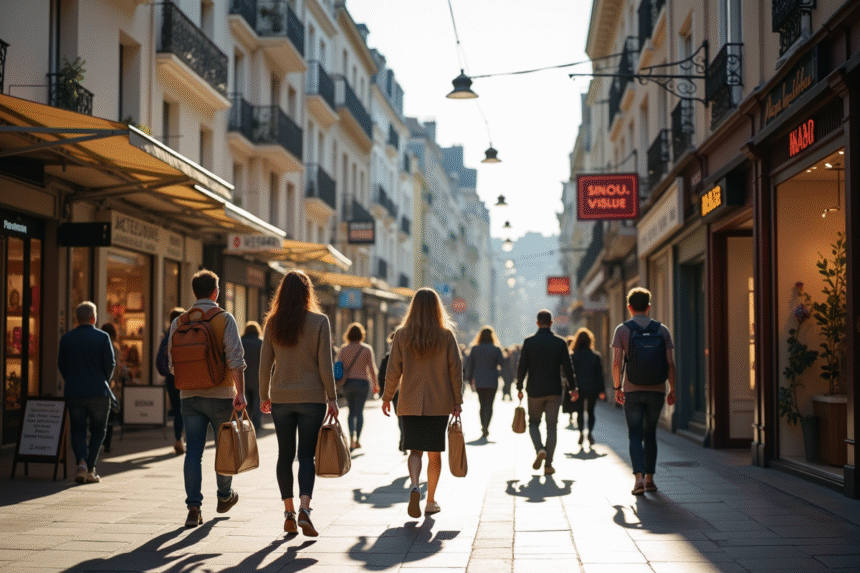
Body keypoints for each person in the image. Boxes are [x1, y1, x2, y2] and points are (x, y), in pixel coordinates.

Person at [259, 270, 338, 537]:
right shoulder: (320, 321)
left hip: (281, 398)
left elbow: (265, 364)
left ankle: (289, 513)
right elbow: (325, 365)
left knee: (284, 455)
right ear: (307, 292)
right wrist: (332, 398)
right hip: (312, 399)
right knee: (306, 456)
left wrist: (264, 396)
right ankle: (305, 508)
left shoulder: (273, 323)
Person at [168, 270, 246, 527]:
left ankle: (193, 508)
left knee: (193, 452)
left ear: (194, 292)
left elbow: (172, 364)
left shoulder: (179, 322)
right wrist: (240, 393)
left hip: (189, 396)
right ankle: (224, 496)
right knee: (225, 448)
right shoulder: (224, 318)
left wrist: (193, 377)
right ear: (216, 292)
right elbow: (236, 360)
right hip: (221, 395)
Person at [382, 288, 463, 519]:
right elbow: (455, 370)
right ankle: (430, 501)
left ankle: (415, 485)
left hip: (410, 401)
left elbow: (393, 370)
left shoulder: (401, 334)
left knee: (414, 450)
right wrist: (457, 401)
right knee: (434, 454)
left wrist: (387, 397)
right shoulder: (446, 335)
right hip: (439, 403)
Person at [612, 287, 676, 496]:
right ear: (648, 307)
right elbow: (670, 364)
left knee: (634, 435)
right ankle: (650, 479)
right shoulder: (662, 330)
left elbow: (616, 363)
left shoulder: (622, 330)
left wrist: (617, 387)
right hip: (657, 390)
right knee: (650, 434)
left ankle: (638, 479)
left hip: (632, 390)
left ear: (629, 307)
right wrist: (672, 389)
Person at [58, 302, 115, 484]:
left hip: (74, 392)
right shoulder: (103, 337)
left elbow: (62, 365)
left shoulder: (67, 338)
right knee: (99, 430)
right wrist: (104, 379)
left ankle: (82, 463)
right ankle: (90, 467)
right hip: (99, 392)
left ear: (77, 318)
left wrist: (71, 379)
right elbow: (110, 364)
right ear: (93, 318)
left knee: (77, 430)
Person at [516, 309, 577, 476]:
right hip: (554, 390)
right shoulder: (560, 342)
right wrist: (573, 388)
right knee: (552, 427)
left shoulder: (529, 342)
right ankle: (548, 464)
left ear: (537, 323)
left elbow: (522, 366)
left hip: (534, 390)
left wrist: (519, 387)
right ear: (551, 323)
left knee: (533, 423)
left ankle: (540, 449)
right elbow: (568, 367)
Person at [335, 322, 378, 450]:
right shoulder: (366, 349)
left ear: (348, 335)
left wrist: (337, 381)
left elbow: (337, 367)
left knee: (351, 411)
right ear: (361, 335)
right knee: (359, 412)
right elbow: (372, 369)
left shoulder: (343, 349)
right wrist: (375, 385)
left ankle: (351, 439)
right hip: (363, 383)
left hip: (348, 383)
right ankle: (357, 440)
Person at [564, 328, 607, 446]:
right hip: (592, 388)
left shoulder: (573, 356)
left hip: (578, 388)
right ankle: (590, 433)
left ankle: (581, 432)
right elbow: (599, 375)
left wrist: (570, 389)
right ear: (590, 341)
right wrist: (602, 390)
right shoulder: (595, 356)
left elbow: (569, 374)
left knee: (580, 412)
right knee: (591, 412)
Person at [464, 326, 504, 438]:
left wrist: (469, 379)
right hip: (492, 380)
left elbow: (469, 365)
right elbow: (501, 363)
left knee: (482, 404)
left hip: (479, 381)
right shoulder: (496, 349)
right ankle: (486, 426)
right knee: (489, 405)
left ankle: (483, 426)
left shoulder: (475, 349)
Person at [156, 307, 186, 455]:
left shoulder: (167, 337)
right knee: (186, 408)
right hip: (186, 377)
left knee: (177, 410)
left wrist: (167, 373)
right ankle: (183, 438)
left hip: (171, 378)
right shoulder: (187, 335)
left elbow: (158, 361)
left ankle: (178, 438)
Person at [99, 322, 127, 454]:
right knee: (110, 415)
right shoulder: (114, 349)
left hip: (98, 385)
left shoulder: (98, 346)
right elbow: (115, 368)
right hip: (111, 386)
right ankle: (107, 443)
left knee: (100, 415)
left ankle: (99, 442)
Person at [377, 332, 404, 453]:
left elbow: (382, 375)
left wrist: (384, 393)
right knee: (404, 416)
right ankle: (404, 437)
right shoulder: (408, 355)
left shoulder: (388, 357)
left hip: (394, 391)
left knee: (400, 416)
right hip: (405, 391)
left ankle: (403, 437)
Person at [241, 321, 264, 432]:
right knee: (257, 401)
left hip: (243, 377)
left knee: (247, 401)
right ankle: (256, 423)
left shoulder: (241, 342)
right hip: (257, 378)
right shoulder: (261, 343)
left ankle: (247, 422)